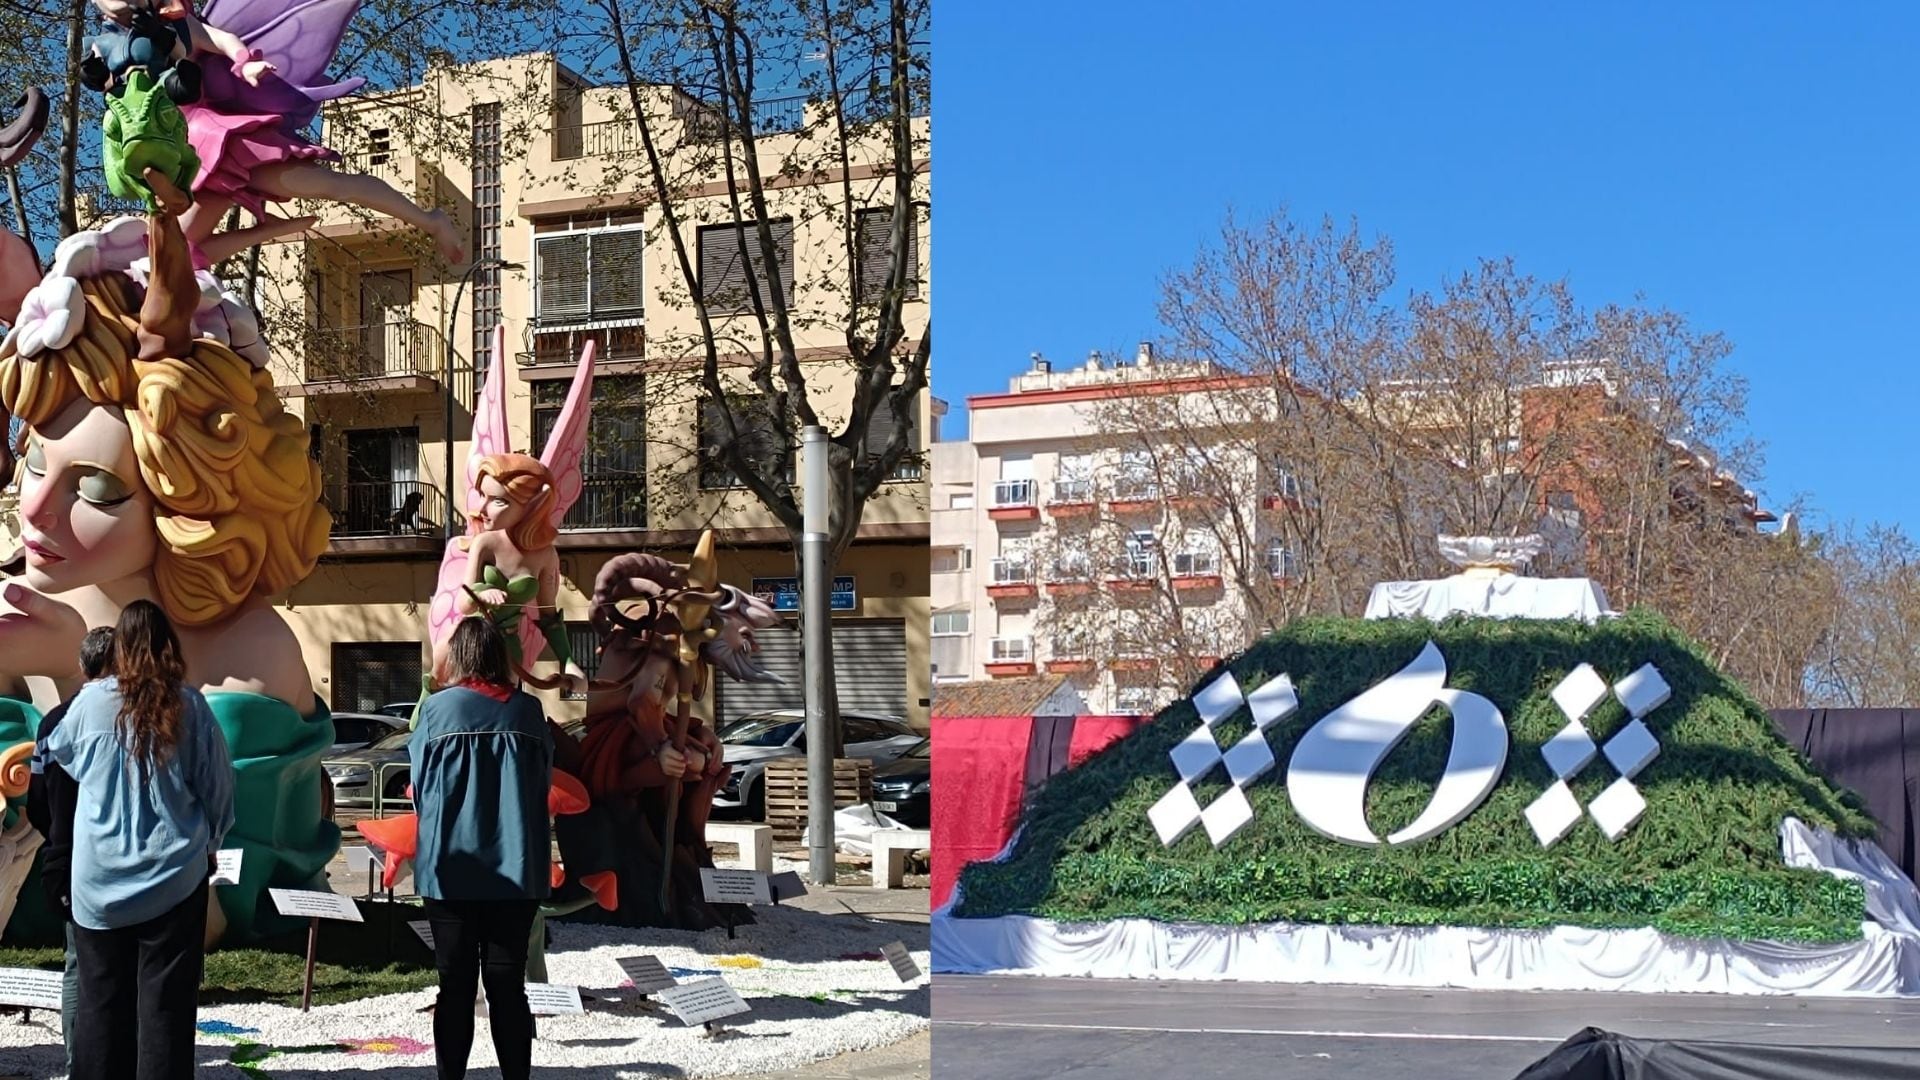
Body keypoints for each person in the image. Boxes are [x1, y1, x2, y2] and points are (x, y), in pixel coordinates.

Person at [44, 600, 234, 1080]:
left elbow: (58, 756)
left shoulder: (88, 704)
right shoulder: (188, 704)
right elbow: (218, 788)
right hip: (172, 876)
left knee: (100, 1009)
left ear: (119, 647)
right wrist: (212, 839)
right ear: (168, 641)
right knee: (165, 1013)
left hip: (98, 883)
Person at [412, 615, 553, 1080]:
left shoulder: (436, 711)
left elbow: (418, 783)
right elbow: (543, 783)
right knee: (508, 987)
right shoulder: (529, 713)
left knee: (453, 987)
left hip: (450, 869)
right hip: (516, 869)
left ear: (458, 657)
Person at [25, 626, 116, 1072]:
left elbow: (37, 802)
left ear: (82, 667)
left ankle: (76, 1060)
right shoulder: (125, 721)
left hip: (68, 857)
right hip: (115, 858)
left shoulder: (52, 722)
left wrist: (58, 837)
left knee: (78, 965)